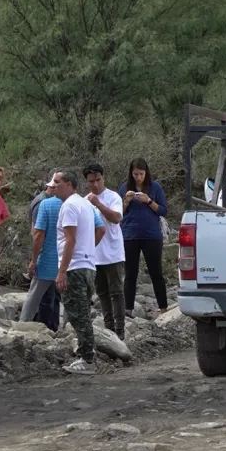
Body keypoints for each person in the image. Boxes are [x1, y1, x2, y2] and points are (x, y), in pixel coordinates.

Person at [53, 170, 106, 375]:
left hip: (75, 267)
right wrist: (89, 252)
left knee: (78, 315)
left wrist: (62, 271)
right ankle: (87, 355)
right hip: (88, 266)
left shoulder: (69, 206)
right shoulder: (86, 204)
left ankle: (87, 359)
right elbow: (100, 230)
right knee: (82, 313)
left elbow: (70, 240)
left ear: (68, 184)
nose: (53, 186)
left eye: (57, 182)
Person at [119, 158, 169, 317]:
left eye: (141, 174)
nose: (138, 177)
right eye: (135, 174)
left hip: (152, 236)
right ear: (131, 174)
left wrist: (148, 201)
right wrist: (126, 201)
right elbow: (118, 213)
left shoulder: (155, 188)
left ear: (146, 173)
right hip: (130, 235)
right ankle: (128, 309)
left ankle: (163, 307)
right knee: (130, 273)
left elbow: (162, 210)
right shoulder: (124, 188)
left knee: (156, 272)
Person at [84, 162, 126, 340]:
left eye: (98, 180)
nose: (95, 184)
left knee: (116, 291)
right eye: (91, 181)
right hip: (95, 253)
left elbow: (116, 218)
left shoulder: (113, 197)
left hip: (113, 252)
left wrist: (99, 204)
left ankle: (120, 329)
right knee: (101, 292)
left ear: (103, 178)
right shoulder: (85, 200)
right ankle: (109, 328)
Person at [21, 176, 62, 330]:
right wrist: (34, 259)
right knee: (42, 296)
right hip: (46, 257)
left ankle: (50, 327)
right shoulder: (43, 203)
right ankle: (30, 326)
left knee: (49, 296)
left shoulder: (48, 201)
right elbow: (37, 233)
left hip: (50, 257)